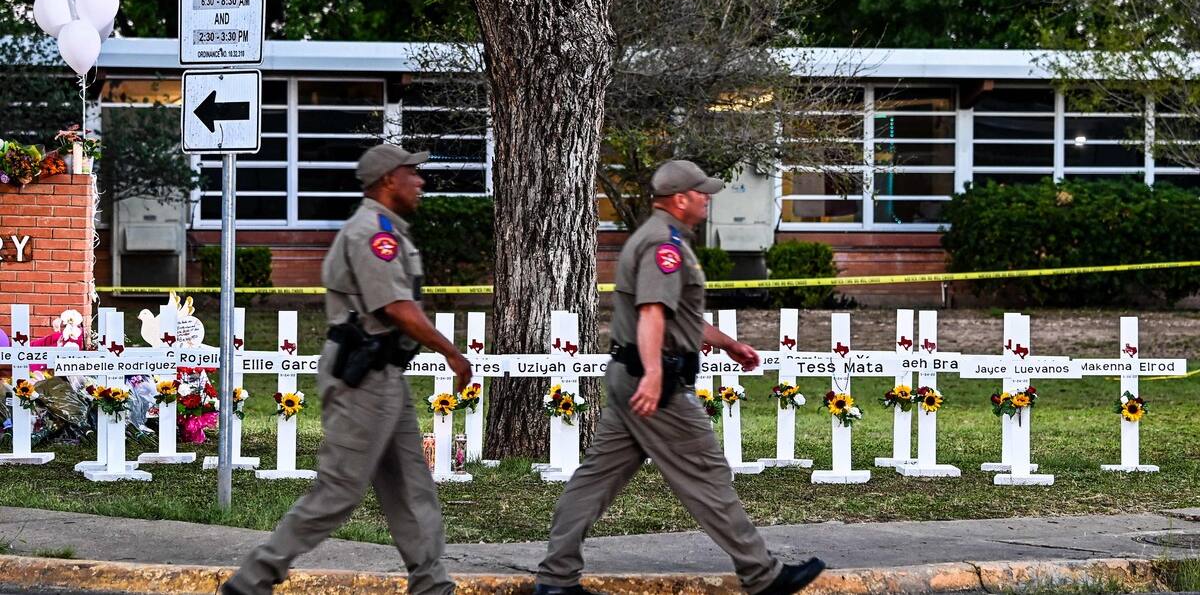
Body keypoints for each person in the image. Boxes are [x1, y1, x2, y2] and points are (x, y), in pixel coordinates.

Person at [533, 160, 825, 595]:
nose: (708, 198)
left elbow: (675, 315)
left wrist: (727, 343)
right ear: (680, 199)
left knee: (596, 478)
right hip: (656, 383)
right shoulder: (661, 244)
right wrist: (654, 376)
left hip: (634, 374)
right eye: (701, 192)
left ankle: (556, 580)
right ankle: (763, 576)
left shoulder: (663, 239)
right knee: (707, 473)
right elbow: (652, 313)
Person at [222, 144, 472, 595]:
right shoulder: (370, 233)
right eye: (412, 173)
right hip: (363, 381)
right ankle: (253, 578)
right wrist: (450, 351)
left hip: (384, 377)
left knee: (412, 487)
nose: (421, 182)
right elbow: (395, 306)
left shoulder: (388, 231)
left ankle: (432, 584)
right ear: (388, 180)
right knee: (338, 492)